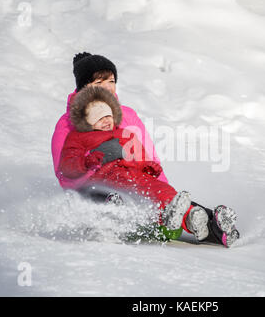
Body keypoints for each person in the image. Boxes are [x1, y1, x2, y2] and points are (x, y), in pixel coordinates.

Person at [51, 52, 239, 247]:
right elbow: (65, 174)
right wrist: (96, 166)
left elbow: (147, 156)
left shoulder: (127, 116)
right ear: (84, 88)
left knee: (161, 194)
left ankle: (214, 227)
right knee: (112, 198)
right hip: (94, 190)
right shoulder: (67, 125)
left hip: (131, 180)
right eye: (99, 83)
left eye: (111, 81)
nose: (107, 87)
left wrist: (159, 187)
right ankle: (116, 220)